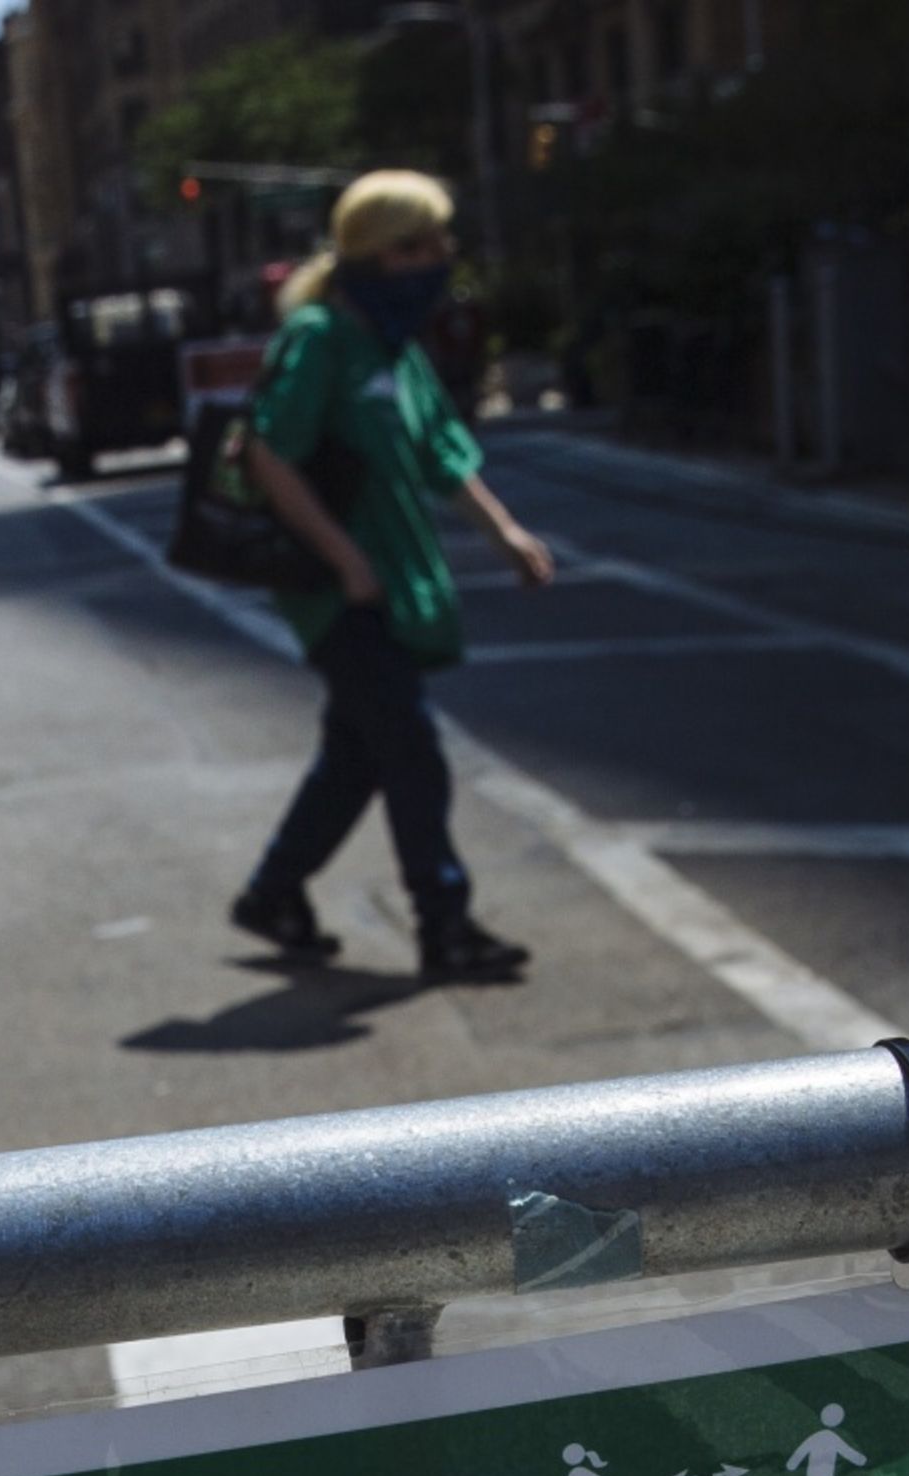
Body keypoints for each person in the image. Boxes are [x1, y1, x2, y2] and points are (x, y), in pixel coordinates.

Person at [230, 169, 555, 986]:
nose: (438, 259)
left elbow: (443, 454)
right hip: (333, 587)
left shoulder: (393, 347)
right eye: (417, 246)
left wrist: (508, 534)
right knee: (410, 747)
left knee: (356, 754)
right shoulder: (319, 340)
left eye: (441, 242)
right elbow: (270, 456)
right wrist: (346, 559)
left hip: (389, 579)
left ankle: (272, 892)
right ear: (373, 255)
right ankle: (444, 924)